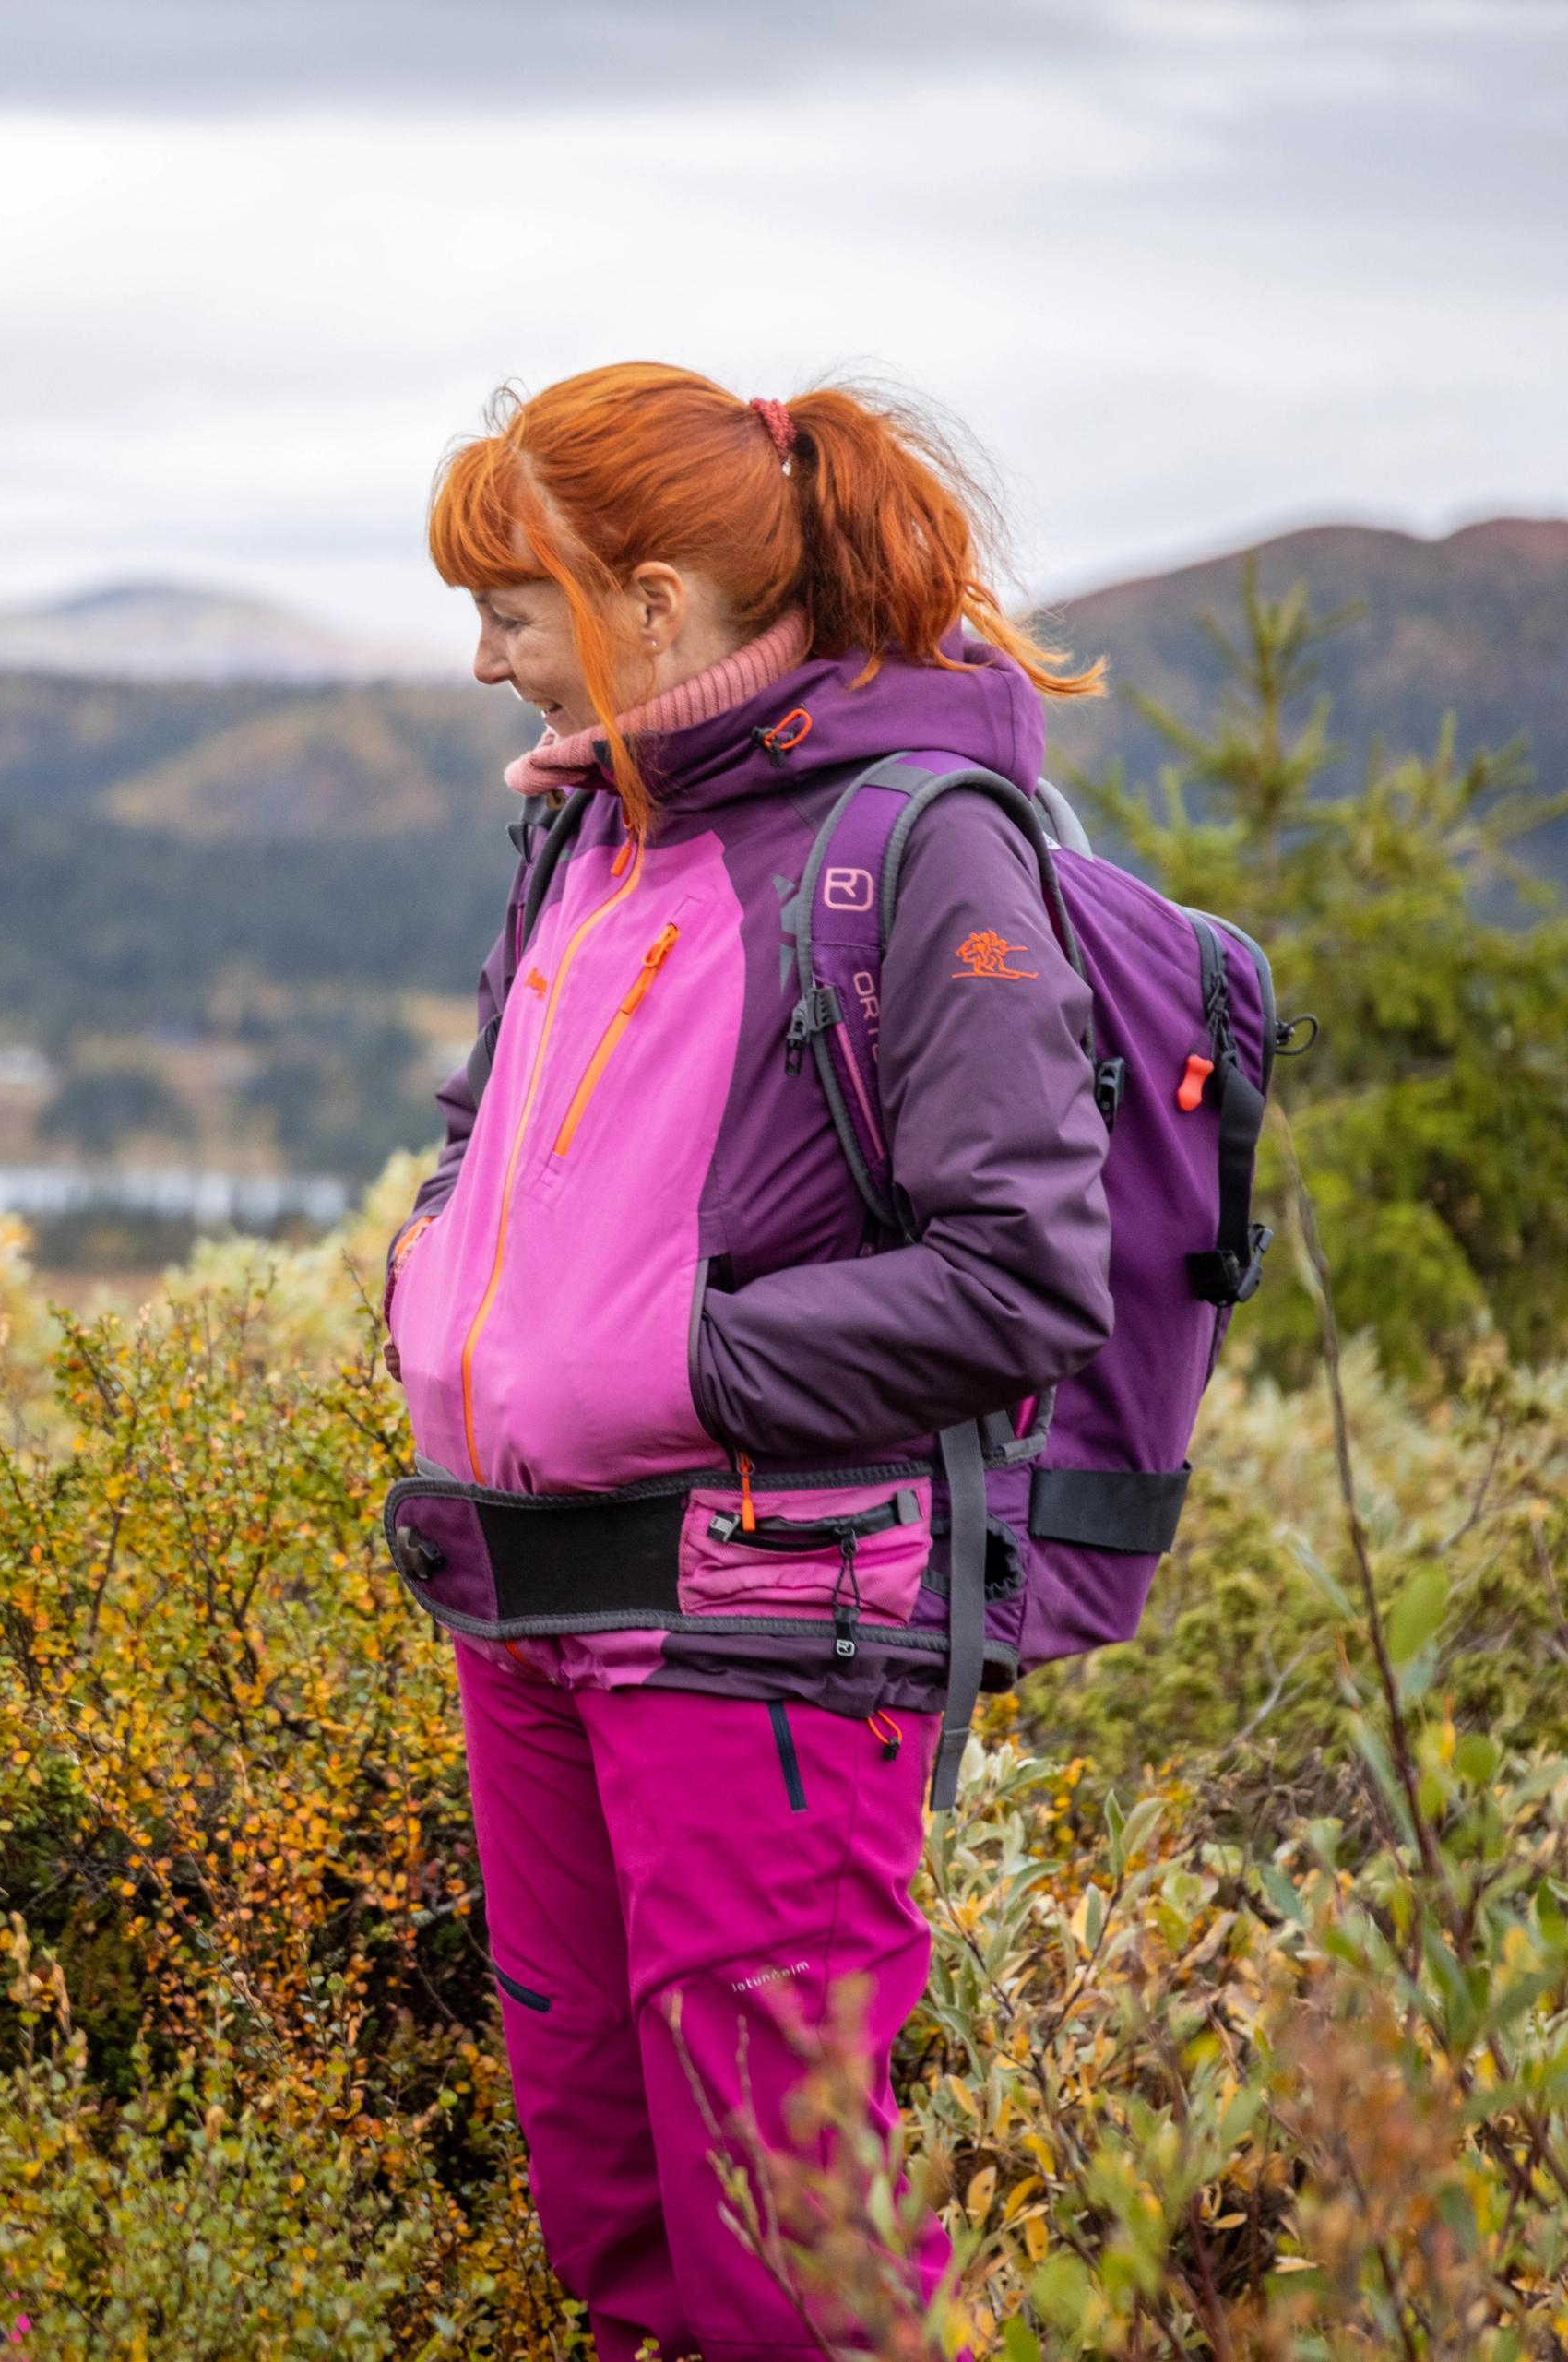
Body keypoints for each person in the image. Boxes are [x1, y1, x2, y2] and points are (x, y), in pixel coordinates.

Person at [386, 364, 1111, 2355]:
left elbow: (1028, 1272)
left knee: (788, 2255)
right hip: (529, 1600)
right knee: (610, 2216)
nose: (479, 659)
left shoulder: (919, 844)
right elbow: (486, 1125)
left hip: (775, 1630)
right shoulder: (588, 830)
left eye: (511, 605)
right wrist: (433, 1273)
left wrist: (670, 1354)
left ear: (654, 599)